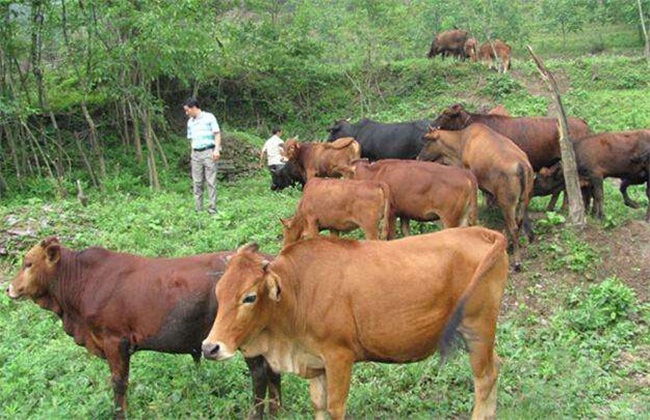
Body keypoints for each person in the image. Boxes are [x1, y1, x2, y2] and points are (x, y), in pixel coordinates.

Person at [183, 98, 221, 214]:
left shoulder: (209, 117)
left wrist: (216, 150)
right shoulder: (190, 122)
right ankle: (198, 209)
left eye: (187, 110)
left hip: (208, 152)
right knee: (197, 182)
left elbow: (217, 134)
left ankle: (212, 209)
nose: (186, 113)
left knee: (210, 181)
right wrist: (192, 152)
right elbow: (191, 139)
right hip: (195, 154)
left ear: (194, 108)